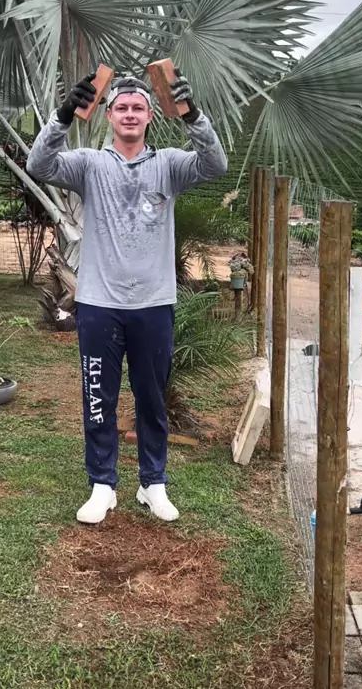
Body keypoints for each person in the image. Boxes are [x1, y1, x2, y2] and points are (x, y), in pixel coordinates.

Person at [27, 69, 227, 524]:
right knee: (99, 397)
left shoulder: (170, 165)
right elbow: (40, 165)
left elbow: (215, 165)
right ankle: (102, 485)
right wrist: (63, 114)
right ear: (110, 116)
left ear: (150, 115)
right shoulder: (89, 165)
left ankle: (153, 483)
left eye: (138, 107)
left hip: (153, 304)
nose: (130, 114)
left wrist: (192, 115)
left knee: (151, 398)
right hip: (99, 304)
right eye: (121, 108)